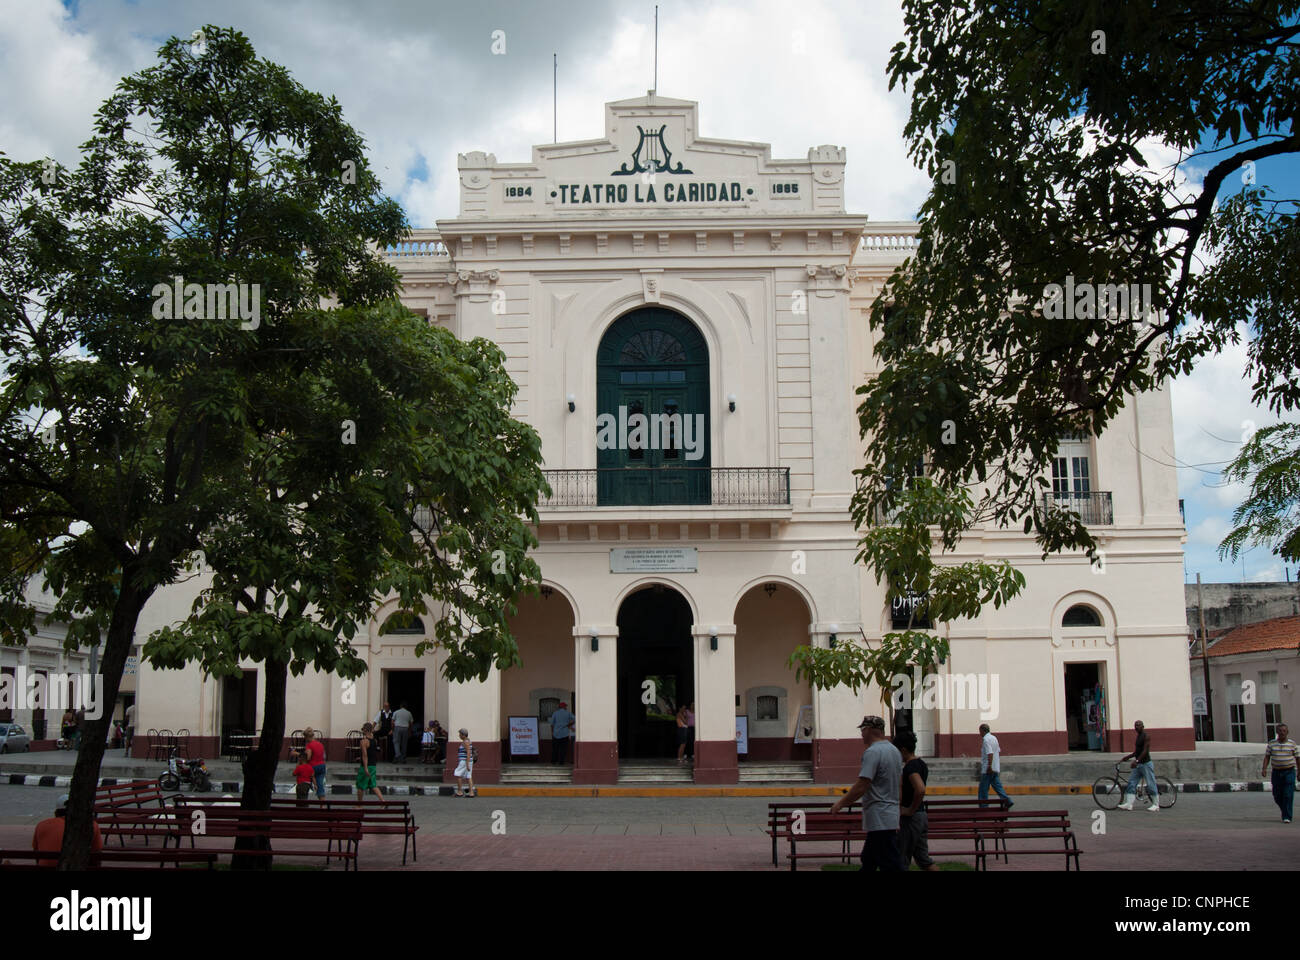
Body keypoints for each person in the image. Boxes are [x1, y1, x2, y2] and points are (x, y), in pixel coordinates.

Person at [830, 716, 903, 871]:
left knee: (890, 863)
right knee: (869, 860)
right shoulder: (894, 751)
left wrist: (840, 803)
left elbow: (862, 784)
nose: (861, 734)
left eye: (862, 730)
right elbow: (899, 783)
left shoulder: (873, 752)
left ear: (868, 730)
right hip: (890, 814)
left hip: (879, 816)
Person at [894, 730, 937, 872]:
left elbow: (920, 789)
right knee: (923, 860)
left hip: (912, 819)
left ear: (903, 750)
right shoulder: (921, 763)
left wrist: (910, 809)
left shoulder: (911, 767)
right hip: (921, 816)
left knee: (901, 859)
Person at [33, 794, 103, 867]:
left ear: (56, 813)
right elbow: (96, 856)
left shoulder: (42, 825)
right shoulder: (91, 825)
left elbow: (37, 854)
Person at [1117, 720, 1158, 811]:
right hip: (1139, 764)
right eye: (1135, 725)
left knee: (1151, 783)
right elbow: (1137, 751)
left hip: (1146, 764)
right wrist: (1127, 757)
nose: (1136, 727)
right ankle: (1129, 804)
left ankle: (1156, 804)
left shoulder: (1146, 736)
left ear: (1143, 726)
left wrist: (1137, 760)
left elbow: (1145, 751)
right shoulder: (1138, 736)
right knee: (1132, 782)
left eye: (1138, 725)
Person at [1261, 722, 1297, 823]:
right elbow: (1267, 757)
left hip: (1289, 771)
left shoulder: (1292, 744)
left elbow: (1298, 758)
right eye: (1280, 731)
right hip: (1276, 772)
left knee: (1288, 794)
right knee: (1277, 795)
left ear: (1287, 732)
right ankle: (1285, 810)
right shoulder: (1272, 743)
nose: (1282, 733)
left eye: (1284, 731)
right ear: (1277, 732)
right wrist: (1264, 769)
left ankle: (1287, 816)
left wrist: (1299, 772)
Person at [977, 723, 1014, 808]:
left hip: (987, 769)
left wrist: (989, 766)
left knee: (983, 789)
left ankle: (983, 806)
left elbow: (990, 753)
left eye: (980, 731)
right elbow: (998, 751)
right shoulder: (994, 738)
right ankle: (1007, 800)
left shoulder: (986, 740)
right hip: (995, 767)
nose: (980, 733)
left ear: (983, 731)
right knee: (998, 786)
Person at [355, 722, 385, 802]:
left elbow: (365, 755)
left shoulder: (363, 741)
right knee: (373, 785)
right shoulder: (374, 740)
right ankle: (383, 802)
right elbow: (371, 752)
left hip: (366, 766)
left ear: (364, 730)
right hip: (373, 765)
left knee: (360, 786)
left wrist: (365, 768)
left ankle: (359, 804)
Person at [303, 727, 327, 800]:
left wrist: (298, 755)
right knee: (320, 785)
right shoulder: (320, 744)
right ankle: (322, 805)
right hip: (322, 765)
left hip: (313, 766)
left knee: (304, 782)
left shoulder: (309, 745)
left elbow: (308, 757)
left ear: (306, 737)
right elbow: (324, 756)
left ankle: (303, 800)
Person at [454, 727, 477, 797]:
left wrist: (467, 764)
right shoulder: (468, 741)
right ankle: (471, 792)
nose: (459, 736)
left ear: (463, 735)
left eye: (460, 734)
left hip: (464, 762)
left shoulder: (465, 742)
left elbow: (468, 752)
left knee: (458, 774)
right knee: (468, 776)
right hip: (468, 761)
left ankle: (460, 791)